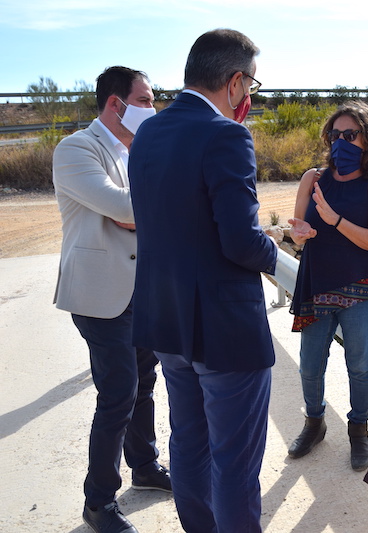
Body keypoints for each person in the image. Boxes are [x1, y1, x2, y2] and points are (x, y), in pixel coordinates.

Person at [128, 29, 277, 533]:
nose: (250, 94)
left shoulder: (149, 132)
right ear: (235, 82)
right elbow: (241, 242)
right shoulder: (227, 136)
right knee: (234, 464)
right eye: (251, 83)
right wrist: (276, 252)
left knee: (189, 443)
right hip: (224, 330)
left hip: (167, 318)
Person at [52, 66, 170, 533]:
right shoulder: (77, 149)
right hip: (99, 293)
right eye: (145, 100)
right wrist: (139, 208)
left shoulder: (132, 151)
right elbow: (124, 208)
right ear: (116, 103)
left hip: (142, 289)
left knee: (144, 381)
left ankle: (145, 466)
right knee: (119, 391)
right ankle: (98, 502)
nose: (152, 108)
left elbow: (138, 211)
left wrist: (139, 209)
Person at [287, 100, 368, 471]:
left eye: (350, 135)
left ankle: (359, 431)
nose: (341, 142)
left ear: (367, 139)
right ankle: (314, 423)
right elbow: (297, 231)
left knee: (360, 366)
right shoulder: (313, 179)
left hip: (362, 288)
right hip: (317, 284)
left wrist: (334, 220)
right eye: (335, 135)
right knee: (309, 364)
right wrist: (300, 233)